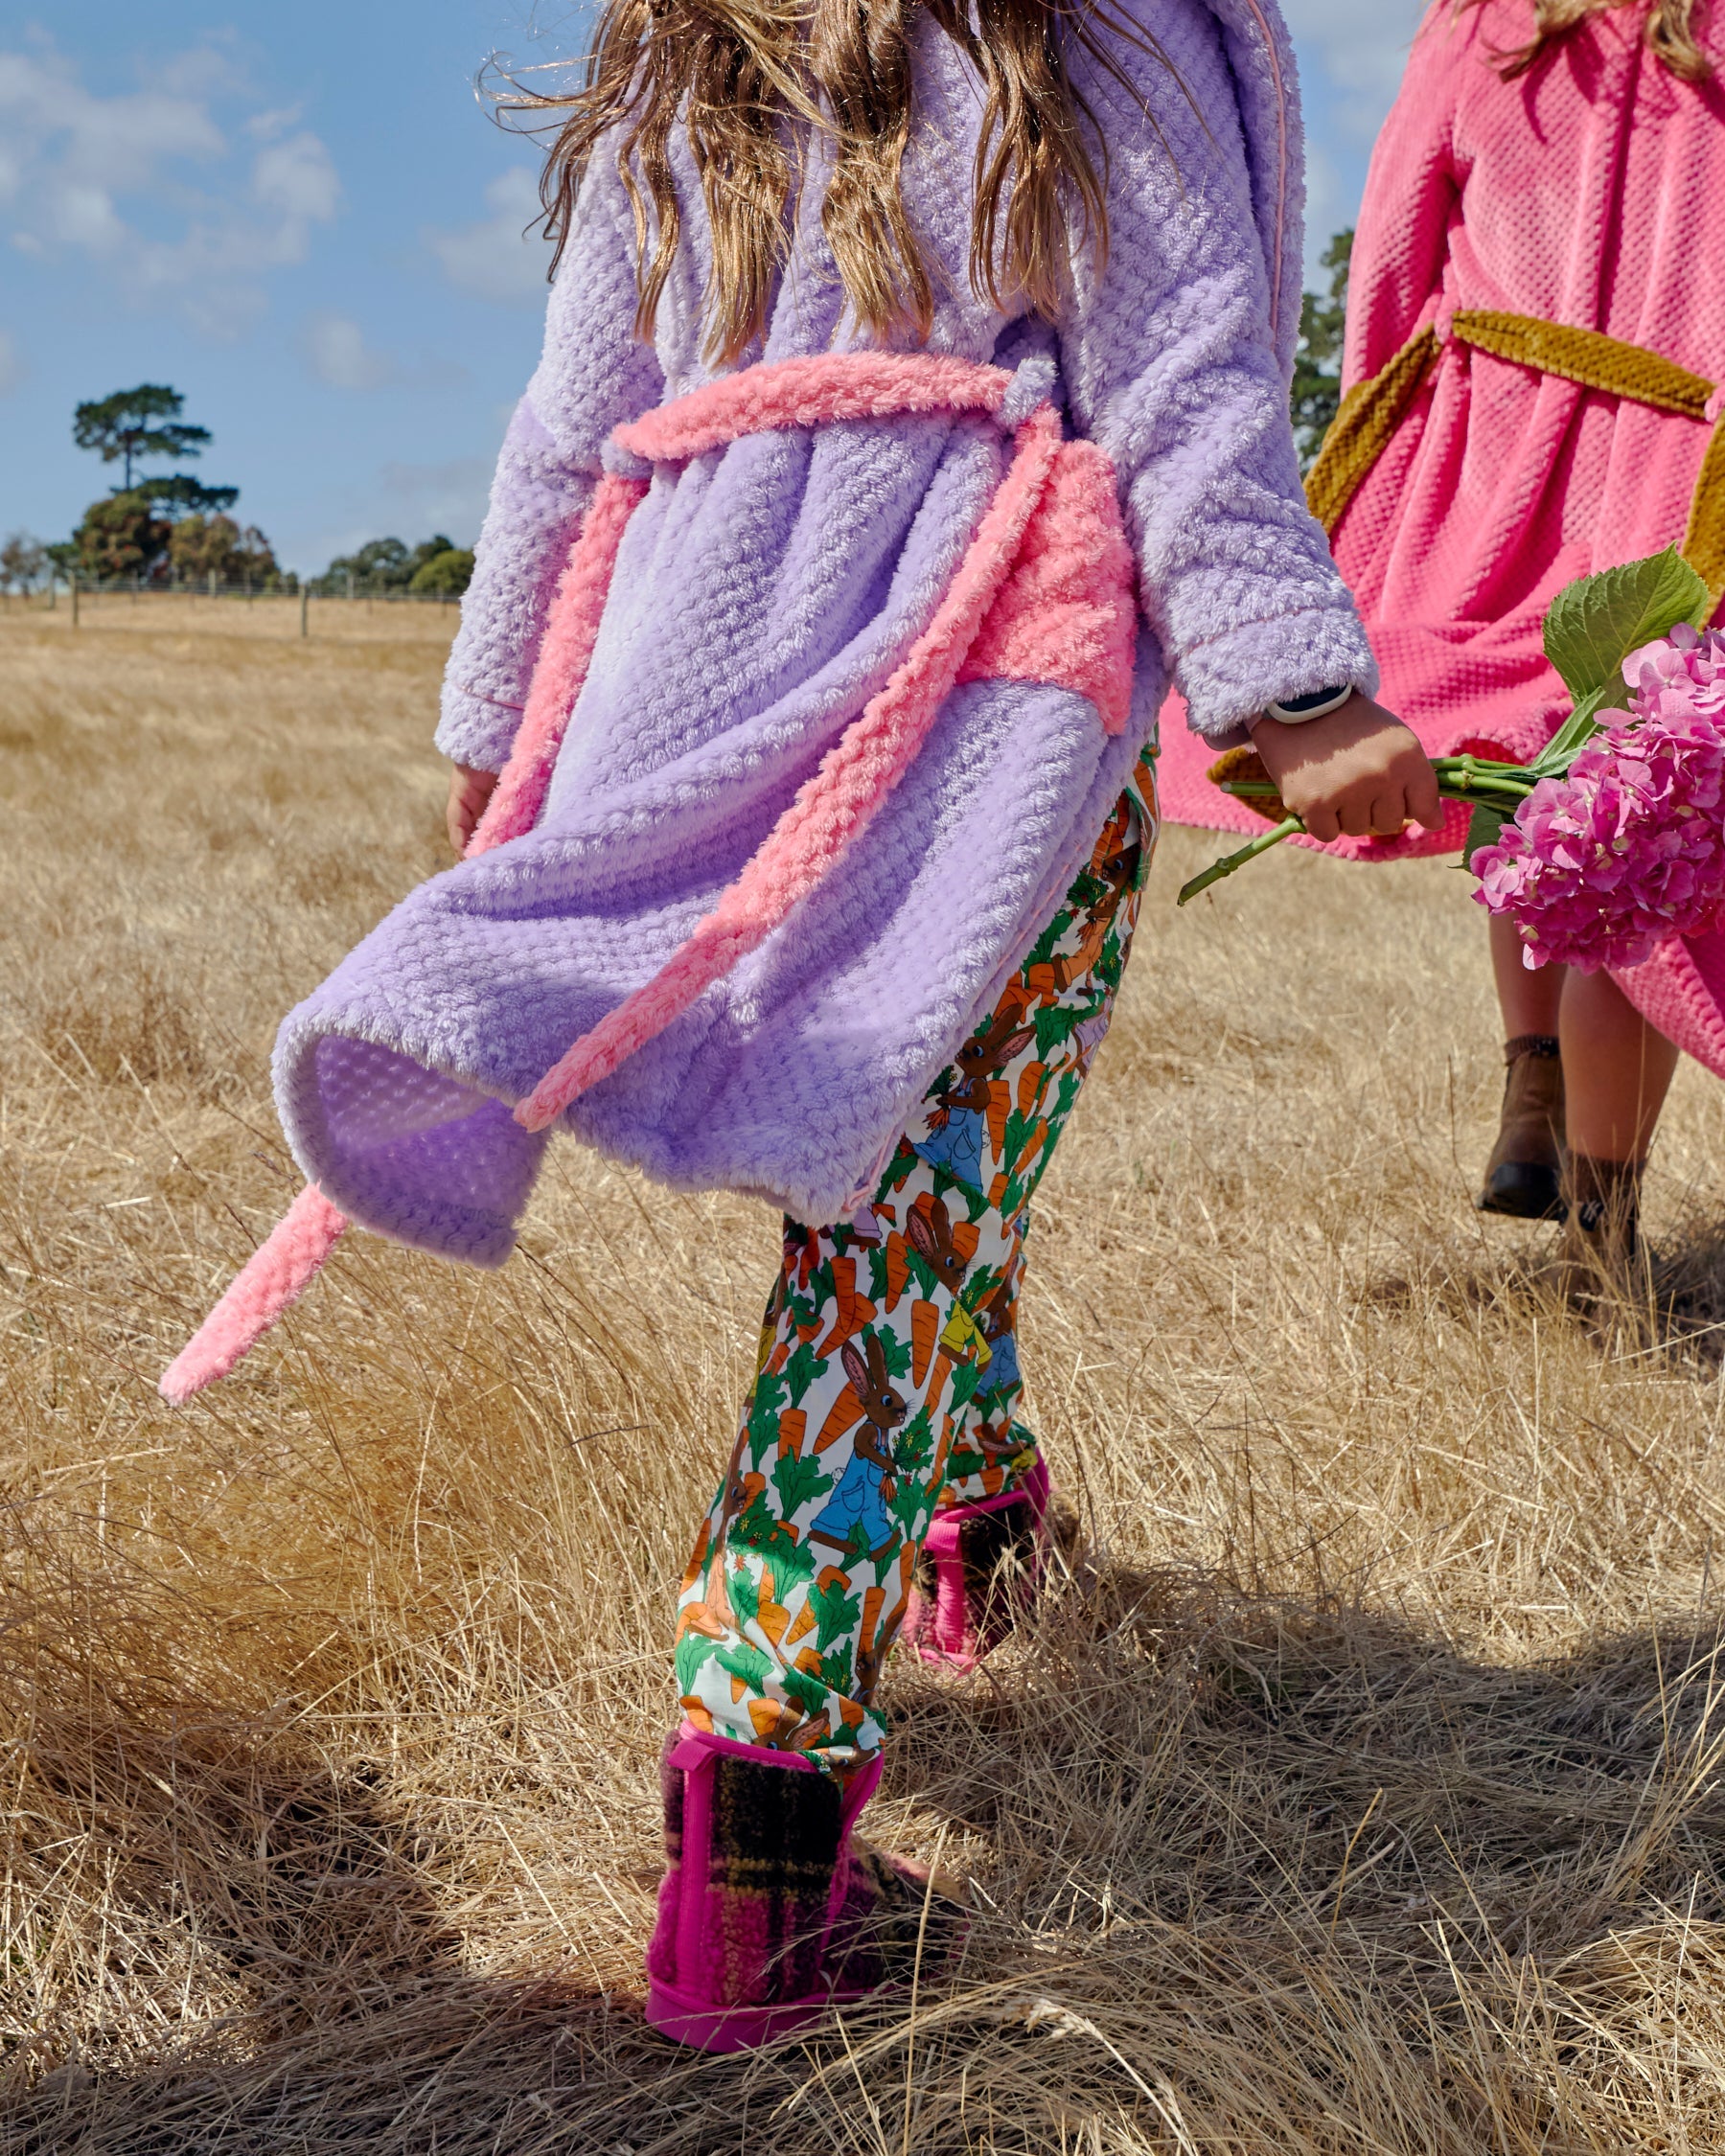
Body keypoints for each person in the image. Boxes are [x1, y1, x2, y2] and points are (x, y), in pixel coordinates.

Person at [196, 0, 1433, 2052]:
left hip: (704, 673)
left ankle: (981, 1519)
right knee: (899, 1231)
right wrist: (1293, 687)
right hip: (982, 691)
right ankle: (760, 1856)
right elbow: (1186, 365)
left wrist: (503, 715)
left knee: (926, 1162)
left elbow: (572, 412)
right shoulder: (1095, 25)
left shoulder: (692, 40)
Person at [1168, 0, 1725, 1281]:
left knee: (1521, 774)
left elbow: (1393, 248)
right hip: (1676, 469)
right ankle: (1601, 1241)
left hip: (1495, 442)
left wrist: (1388, 434)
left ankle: (1533, 1093)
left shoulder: (1485, 18)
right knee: (1633, 826)